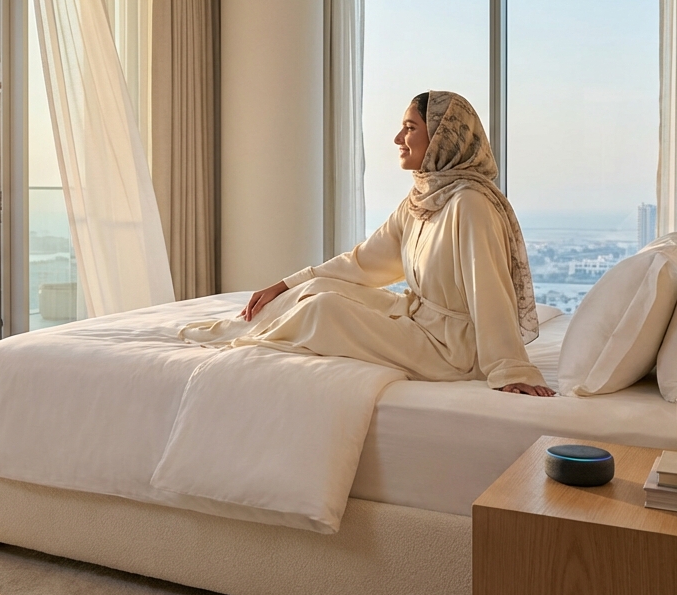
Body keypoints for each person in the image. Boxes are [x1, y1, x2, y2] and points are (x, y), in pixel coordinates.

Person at [180, 90, 555, 396]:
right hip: (420, 321)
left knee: (324, 309)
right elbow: (361, 262)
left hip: (453, 351)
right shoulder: (423, 198)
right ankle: (239, 329)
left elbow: (489, 289)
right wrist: (285, 284)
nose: (398, 139)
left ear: (442, 136)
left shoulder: (469, 203)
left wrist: (510, 369)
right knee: (316, 288)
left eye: (410, 128)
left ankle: (243, 343)